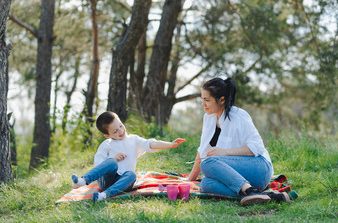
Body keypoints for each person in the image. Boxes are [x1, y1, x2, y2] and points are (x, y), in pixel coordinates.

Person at [187, 77, 290, 205]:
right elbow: (203, 150)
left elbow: (257, 148)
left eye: (207, 100)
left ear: (222, 99)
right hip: (238, 176)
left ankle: (250, 190)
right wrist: (190, 180)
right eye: (202, 100)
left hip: (259, 168)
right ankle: (263, 195)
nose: (203, 104)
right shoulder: (208, 118)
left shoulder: (239, 116)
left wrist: (223, 152)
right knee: (206, 183)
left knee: (207, 163)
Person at [71, 111, 185, 202]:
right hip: (106, 181)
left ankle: (104, 196)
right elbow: (99, 166)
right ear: (107, 135)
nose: (121, 131)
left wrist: (170, 144)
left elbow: (150, 144)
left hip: (123, 183)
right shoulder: (106, 145)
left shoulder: (133, 140)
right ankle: (83, 180)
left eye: (121, 126)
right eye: (115, 131)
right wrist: (114, 159)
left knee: (131, 174)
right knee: (111, 162)